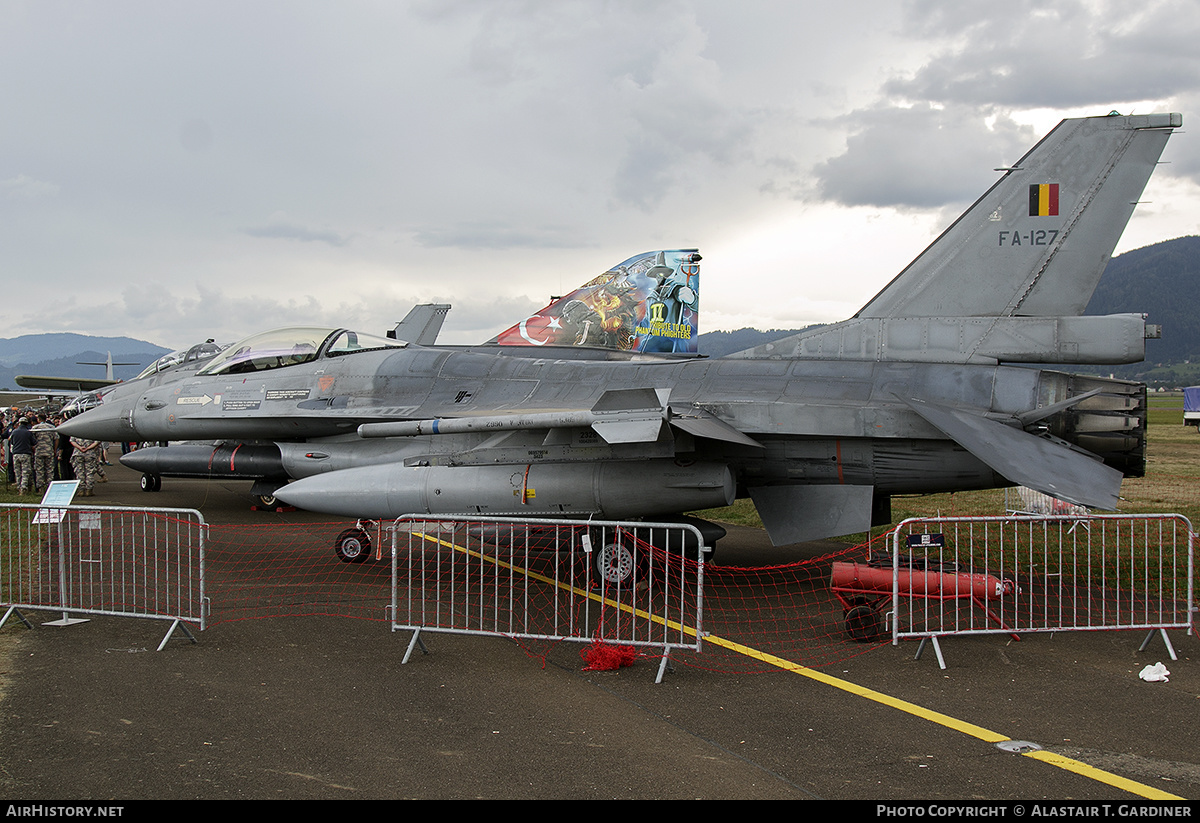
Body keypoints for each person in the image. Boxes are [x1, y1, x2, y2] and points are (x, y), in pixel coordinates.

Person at [9, 417, 35, 495]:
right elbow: (33, 442)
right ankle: (24, 487)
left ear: (19, 423)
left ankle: (19, 486)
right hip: (26, 454)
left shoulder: (14, 432)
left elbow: (12, 442)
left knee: (17, 472)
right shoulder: (28, 432)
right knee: (25, 471)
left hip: (16, 454)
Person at [31, 414, 56, 491]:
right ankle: (50, 486)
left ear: (39, 419)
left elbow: (31, 440)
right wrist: (54, 449)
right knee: (50, 469)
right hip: (49, 450)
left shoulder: (35, 428)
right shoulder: (51, 427)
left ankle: (40, 487)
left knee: (39, 470)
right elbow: (57, 438)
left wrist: (33, 448)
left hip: (39, 451)